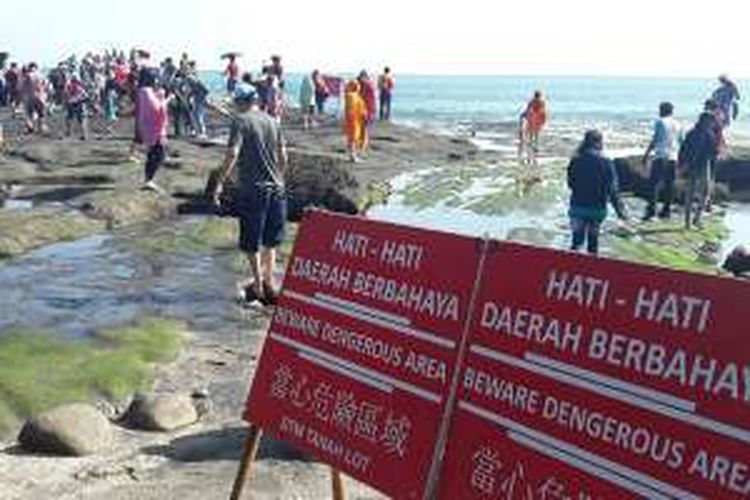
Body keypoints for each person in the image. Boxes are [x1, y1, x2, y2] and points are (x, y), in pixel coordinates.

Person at [211, 83, 288, 306]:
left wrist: (220, 183)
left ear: (241, 102)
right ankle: (270, 283)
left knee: (251, 243)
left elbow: (233, 153)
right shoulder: (272, 121)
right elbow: (283, 155)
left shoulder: (240, 121)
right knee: (270, 242)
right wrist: (279, 178)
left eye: (236, 102)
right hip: (277, 190)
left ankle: (257, 285)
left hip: (253, 191)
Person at [567, 130, 627, 255]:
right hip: (597, 209)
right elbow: (613, 190)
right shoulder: (607, 163)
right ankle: (590, 270)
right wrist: (621, 212)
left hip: (578, 207)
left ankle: (571, 268)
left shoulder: (575, 160)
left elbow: (570, 184)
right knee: (593, 244)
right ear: (600, 143)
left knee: (576, 243)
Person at [641, 102, 681, 220]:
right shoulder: (678, 124)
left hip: (661, 156)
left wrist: (646, 155)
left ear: (663, 110)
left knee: (654, 185)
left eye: (660, 109)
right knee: (669, 185)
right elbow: (681, 142)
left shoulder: (660, 122)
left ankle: (651, 212)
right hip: (673, 157)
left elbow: (655, 140)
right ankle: (666, 211)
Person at [679, 112, 719, 230]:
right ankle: (691, 221)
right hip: (697, 165)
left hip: (698, 165)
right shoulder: (700, 133)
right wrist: (682, 164)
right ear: (704, 121)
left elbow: (683, 150)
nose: (712, 123)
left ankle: (693, 220)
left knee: (700, 192)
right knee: (695, 193)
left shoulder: (702, 133)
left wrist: (682, 164)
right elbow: (684, 149)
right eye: (711, 121)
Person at [137, 69, 172, 192]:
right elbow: (158, 108)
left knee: (153, 153)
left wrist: (159, 95)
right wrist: (167, 99)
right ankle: (149, 181)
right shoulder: (146, 91)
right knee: (158, 155)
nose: (156, 80)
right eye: (155, 77)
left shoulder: (143, 91)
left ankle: (148, 180)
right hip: (154, 128)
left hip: (149, 126)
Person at [519, 90, 548, 169]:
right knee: (535, 134)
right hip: (534, 120)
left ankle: (533, 147)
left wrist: (524, 115)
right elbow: (543, 112)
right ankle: (534, 147)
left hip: (534, 120)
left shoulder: (537, 102)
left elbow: (541, 112)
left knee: (533, 134)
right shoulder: (540, 102)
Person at [344, 79, 367, 162]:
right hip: (353, 120)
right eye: (357, 86)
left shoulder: (352, 95)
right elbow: (351, 109)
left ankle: (352, 155)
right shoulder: (351, 96)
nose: (358, 87)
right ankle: (352, 156)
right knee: (353, 138)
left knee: (353, 138)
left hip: (355, 120)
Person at [65, 75, 89, 140]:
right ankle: (83, 134)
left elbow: (67, 96)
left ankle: (69, 133)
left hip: (74, 104)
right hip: (78, 104)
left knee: (70, 119)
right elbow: (86, 97)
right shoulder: (78, 88)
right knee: (81, 120)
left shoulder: (71, 87)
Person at [358, 70, 377, 149]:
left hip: (367, 109)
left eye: (361, 77)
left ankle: (363, 144)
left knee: (365, 127)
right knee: (361, 127)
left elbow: (372, 99)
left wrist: (373, 111)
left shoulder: (369, 86)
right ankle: (361, 143)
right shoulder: (361, 85)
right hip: (361, 108)